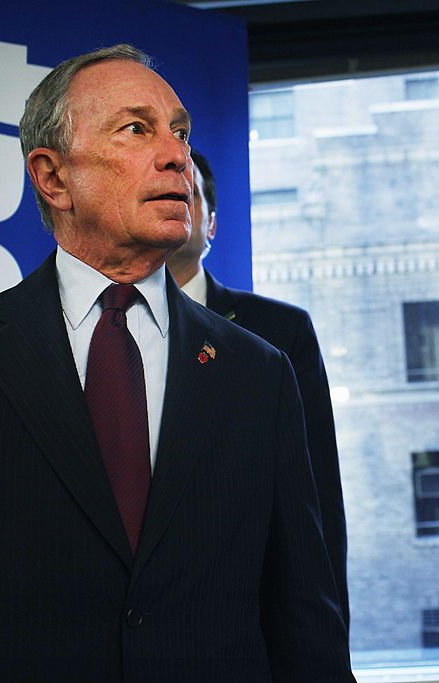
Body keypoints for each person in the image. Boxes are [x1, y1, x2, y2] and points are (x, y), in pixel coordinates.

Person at [0, 44, 353, 682]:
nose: (178, 154)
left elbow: (304, 620)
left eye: (179, 131)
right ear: (53, 177)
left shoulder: (260, 371)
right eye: (136, 129)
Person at [167, 150, 350, 628]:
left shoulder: (279, 330)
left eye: (188, 194)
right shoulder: (103, 326)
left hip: (247, 610)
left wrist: (330, 635)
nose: (175, 201)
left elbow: (318, 493)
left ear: (211, 224)